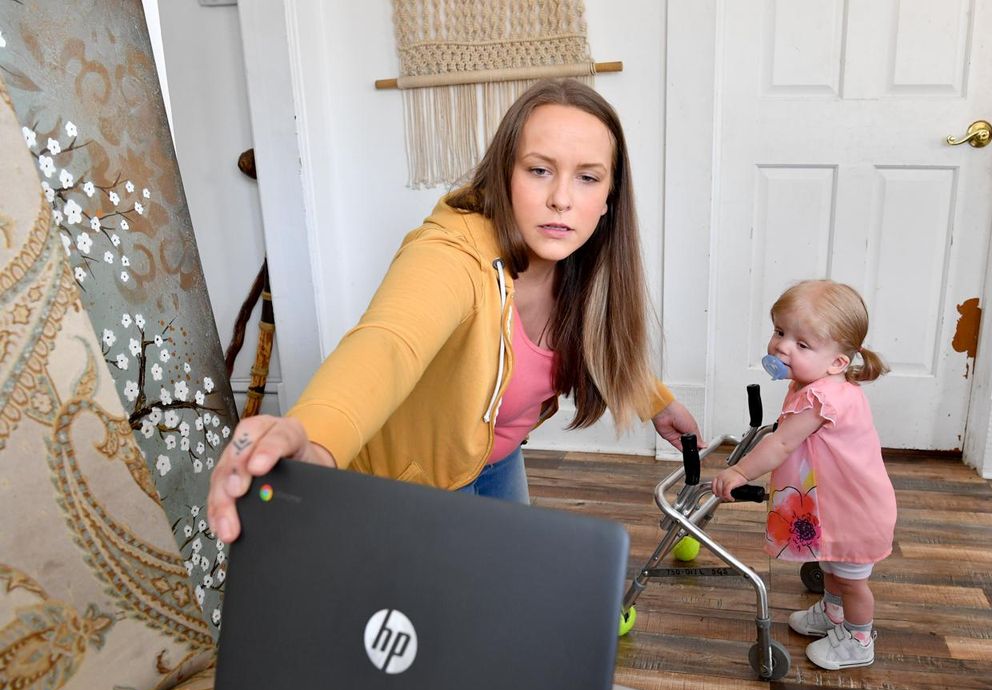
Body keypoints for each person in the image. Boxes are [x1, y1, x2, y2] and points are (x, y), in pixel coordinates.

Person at [209, 78, 701, 544]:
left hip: (498, 461)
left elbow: (602, 339)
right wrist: (312, 438)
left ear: (609, 198)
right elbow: (388, 344)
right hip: (415, 478)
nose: (561, 199)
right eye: (539, 170)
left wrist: (654, 399)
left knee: (503, 600)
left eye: (587, 177)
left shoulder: (582, 265)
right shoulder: (451, 255)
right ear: (504, 173)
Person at [710, 280, 896, 671]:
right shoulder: (815, 383)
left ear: (837, 363)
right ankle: (832, 614)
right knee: (830, 562)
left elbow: (780, 445)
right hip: (833, 503)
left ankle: (860, 639)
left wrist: (740, 470)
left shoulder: (821, 398)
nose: (781, 347)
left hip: (854, 511)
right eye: (780, 332)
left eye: (802, 344)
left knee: (851, 580)